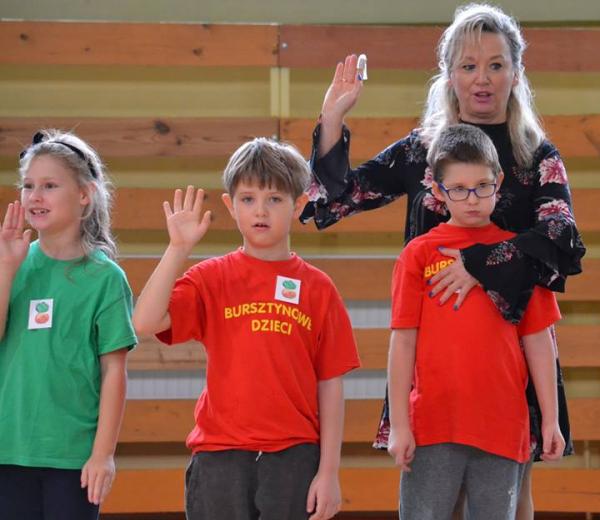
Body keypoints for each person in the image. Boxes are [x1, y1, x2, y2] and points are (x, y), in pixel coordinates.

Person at [302, 4, 585, 515]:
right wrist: (333, 118)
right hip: (433, 362)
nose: (482, 79)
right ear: (449, 74)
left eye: (496, 65)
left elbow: (559, 237)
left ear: (516, 72)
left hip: (509, 361)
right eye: (468, 66)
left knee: (513, 500)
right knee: (435, 500)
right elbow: (340, 198)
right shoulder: (422, 150)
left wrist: (480, 264)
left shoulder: (536, 155)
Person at [132, 138, 361, 520]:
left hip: (293, 457)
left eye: (275, 199)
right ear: (231, 206)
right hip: (220, 456)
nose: (260, 210)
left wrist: (329, 472)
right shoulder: (211, 277)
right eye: (248, 199)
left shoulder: (318, 288)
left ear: (298, 205)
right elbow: (144, 322)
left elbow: (331, 385)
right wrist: (177, 249)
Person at [387, 124, 564, 519]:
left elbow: (539, 341)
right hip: (433, 424)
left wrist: (551, 420)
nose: (471, 199)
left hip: (503, 425)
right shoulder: (418, 255)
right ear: (437, 191)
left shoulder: (519, 255)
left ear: (498, 182)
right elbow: (403, 341)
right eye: (458, 189)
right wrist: (399, 424)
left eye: (482, 186)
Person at [0, 130, 136, 519]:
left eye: (49, 185)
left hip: (72, 459)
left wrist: (103, 454)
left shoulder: (105, 278)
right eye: (28, 185)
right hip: (8, 452)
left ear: (84, 195)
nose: (34, 196)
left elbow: (114, 371)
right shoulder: (11, 262)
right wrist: (6, 269)